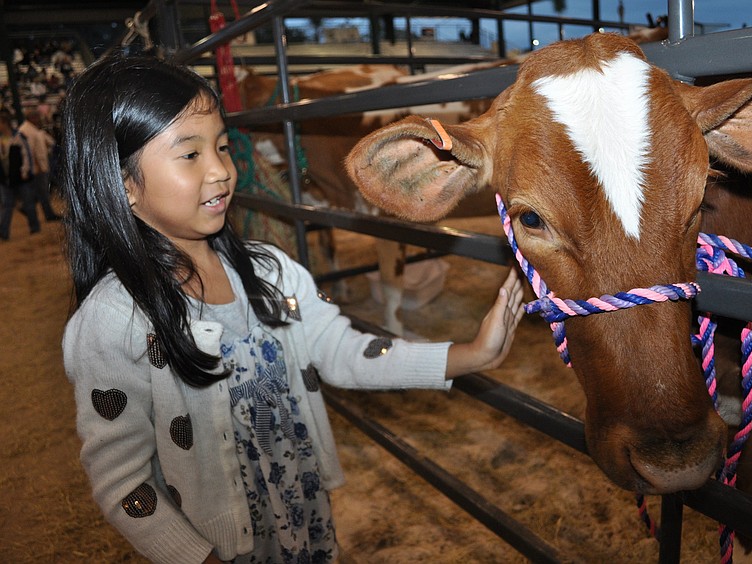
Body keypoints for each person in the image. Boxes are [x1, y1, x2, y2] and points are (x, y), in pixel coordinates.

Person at [60, 53, 524, 564]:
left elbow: (344, 351)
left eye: (220, 147)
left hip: (306, 524)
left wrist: (469, 355)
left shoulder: (270, 272)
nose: (221, 171)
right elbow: (123, 483)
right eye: (190, 155)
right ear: (123, 183)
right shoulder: (114, 321)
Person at [0, 111, 39, 240]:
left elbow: (26, 155)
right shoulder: (4, 139)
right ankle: (3, 232)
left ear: (5, 123)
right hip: (6, 179)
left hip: (20, 177)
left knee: (27, 203)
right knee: (8, 206)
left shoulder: (18, 137)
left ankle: (34, 227)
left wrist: (25, 170)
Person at [19, 109, 61, 221]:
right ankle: (48, 214)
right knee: (42, 192)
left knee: (40, 191)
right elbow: (28, 151)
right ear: (32, 118)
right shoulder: (26, 130)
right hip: (37, 166)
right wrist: (35, 166)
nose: (39, 120)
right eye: (38, 118)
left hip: (40, 164)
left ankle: (27, 207)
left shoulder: (31, 129)